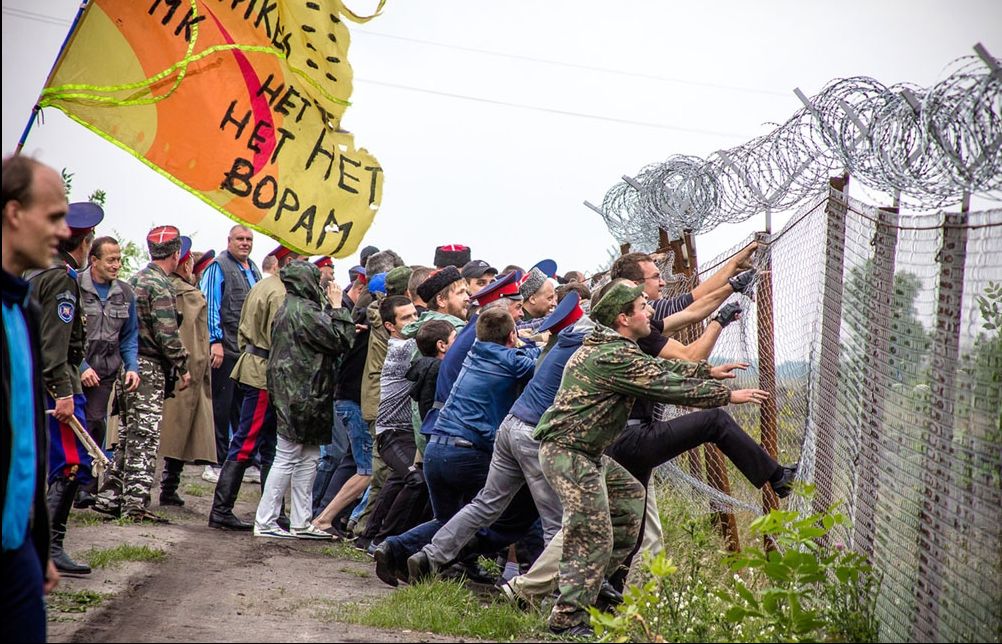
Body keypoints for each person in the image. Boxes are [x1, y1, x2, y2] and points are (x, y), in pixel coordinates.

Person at [534, 282, 770, 636]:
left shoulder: (619, 349)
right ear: (623, 318)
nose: (650, 312)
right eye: (643, 306)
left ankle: (592, 584)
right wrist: (727, 395)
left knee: (630, 500)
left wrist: (707, 371)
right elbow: (664, 385)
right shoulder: (610, 356)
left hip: (587, 453)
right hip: (568, 453)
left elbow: (659, 371)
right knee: (592, 532)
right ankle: (567, 617)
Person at [375, 306, 541, 586]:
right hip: (466, 452)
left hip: (436, 448)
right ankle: (530, 579)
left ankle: (395, 548)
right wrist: (536, 343)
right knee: (510, 512)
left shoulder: (473, 353)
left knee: (449, 519)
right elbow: (539, 364)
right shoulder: (511, 360)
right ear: (511, 336)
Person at [2, 155, 68, 640]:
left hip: (17, 545)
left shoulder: (24, 305)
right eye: (53, 217)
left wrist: (37, 546)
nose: (64, 231)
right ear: (13, 213)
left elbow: (27, 437)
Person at [26, 199, 104, 575]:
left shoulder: (33, 270)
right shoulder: (61, 278)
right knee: (72, 463)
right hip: (55, 384)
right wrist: (64, 393)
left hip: (34, 380)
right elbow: (54, 346)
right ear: (84, 241)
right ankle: (49, 548)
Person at [93, 226, 192, 522]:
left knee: (127, 435)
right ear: (176, 255)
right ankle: (135, 502)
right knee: (145, 436)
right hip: (148, 367)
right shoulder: (160, 285)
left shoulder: (132, 281)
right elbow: (167, 334)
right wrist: (183, 366)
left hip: (128, 364)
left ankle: (111, 495)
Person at [254, 260, 353, 539]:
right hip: (303, 392)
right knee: (287, 456)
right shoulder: (305, 311)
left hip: (301, 390)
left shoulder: (291, 307)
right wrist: (337, 307)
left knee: (309, 456)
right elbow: (340, 341)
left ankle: (300, 521)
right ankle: (266, 521)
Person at [209, 244, 302, 530]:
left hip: (256, 366)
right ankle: (221, 510)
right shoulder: (279, 293)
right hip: (264, 373)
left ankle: (272, 510)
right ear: (289, 262)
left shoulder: (264, 285)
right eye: (302, 261)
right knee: (248, 442)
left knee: (270, 445)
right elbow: (281, 339)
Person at [76, 235, 140, 508]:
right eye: (111, 260)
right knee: (69, 425)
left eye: (119, 260)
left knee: (96, 424)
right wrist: (81, 366)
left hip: (106, 372)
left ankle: (85, 488)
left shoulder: (125, 293)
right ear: (94, 260)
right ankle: (61, 481)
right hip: (74, 368)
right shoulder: (75, 285)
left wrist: (133, 367)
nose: (116, 265)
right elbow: (63, 332)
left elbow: (129, 337)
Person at [157, 237, 216, 507]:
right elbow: (199, 341)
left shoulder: (152, 284)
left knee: (147, 431)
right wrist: (196, 370)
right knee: (180, 428)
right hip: (183, 369)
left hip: (154, 366)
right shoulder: (191, 296)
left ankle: (136, 487)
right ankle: (168, 487)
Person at [200, 225, 261, 481]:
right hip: (224, 348)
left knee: (241, 408)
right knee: (220, 407)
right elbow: (210, 304)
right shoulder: (218, 266)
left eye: (248, 239)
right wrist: (215, 341)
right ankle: (214, 462)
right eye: (240, 239)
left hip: (245, 351)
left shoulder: (253, 268)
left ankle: (243, 462)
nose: (245, 243)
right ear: (229, 241)